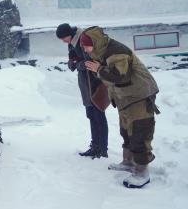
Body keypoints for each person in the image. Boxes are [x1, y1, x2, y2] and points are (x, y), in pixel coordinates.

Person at [81, 26, 160, 189]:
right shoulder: (103, 51)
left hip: (139, 96)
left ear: (95, 43)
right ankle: (128, 162)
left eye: (86, 45)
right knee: (126, 132)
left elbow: (121, 77)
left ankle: (141, 173)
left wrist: (99, 69)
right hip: (125, 98)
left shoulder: (116, 52)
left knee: (139, 133)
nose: (84, 49)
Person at [56, 23, 109, 159]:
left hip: (95, 82)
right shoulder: (72, 42)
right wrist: (73, 63)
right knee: (91, 114)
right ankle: (95, 146)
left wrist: (78, 64)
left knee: (98, 115)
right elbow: (73, 59)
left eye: (64, 38)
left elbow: (89, 62)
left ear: (70, 34)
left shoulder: (84, 39)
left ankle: (102, 149)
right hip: (85, 83)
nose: (63, 41)